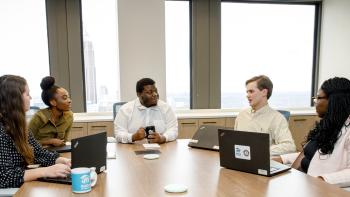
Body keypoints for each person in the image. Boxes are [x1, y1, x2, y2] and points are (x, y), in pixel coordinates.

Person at [273, 77, 350, 187]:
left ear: (334, 100)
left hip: (318, 188)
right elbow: (311, 155)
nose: (315, 102)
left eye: (318, 98)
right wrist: (282, 159)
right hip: (300, 182)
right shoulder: (328, 125)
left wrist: (322, 180)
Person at [0, 75, 71, 188]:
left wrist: (62, 160)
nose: (31, 98)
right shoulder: (1, 132)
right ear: (14, 98)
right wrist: (45, 171)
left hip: (25, 186)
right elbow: (4, 177)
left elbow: (38, 152)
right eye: (27, 94)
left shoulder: (19, 126)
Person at [234, 75, 296, 155]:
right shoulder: (241, 115)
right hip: (240, 159)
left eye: (251, 91)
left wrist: (260, 150)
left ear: (264, 92)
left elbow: (289, 146)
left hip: (261, 162)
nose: (247, 95)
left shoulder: (277, 118)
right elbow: (234, 142)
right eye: (247, 92)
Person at [114, 78, 178, 144]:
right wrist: (133, 137)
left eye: (156, 91)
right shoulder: (125, 110)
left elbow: (173, 130)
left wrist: (163, 138)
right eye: (150, 92)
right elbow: (119, 134)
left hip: (161, 149)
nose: (155, 94)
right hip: (133, 149)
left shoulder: (166, 108)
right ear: (139, 94)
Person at [29, 76, 73, 147]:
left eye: (68, 97)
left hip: (58, 152)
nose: (69, 101)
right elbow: (26, 141)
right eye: (64, 98)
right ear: (53, 102)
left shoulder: (69, 116)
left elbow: (64, 141)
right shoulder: (39, 117)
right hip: (39, 153)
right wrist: (50, 141)